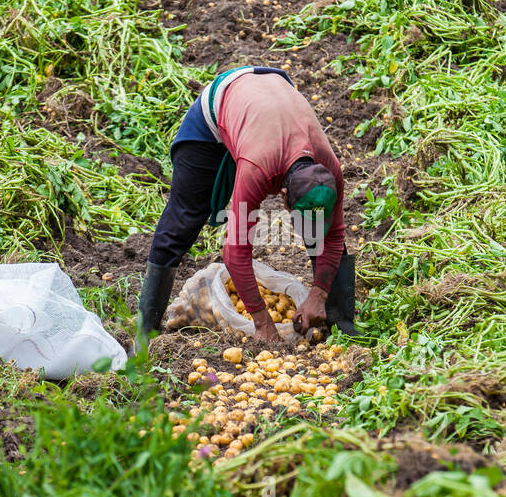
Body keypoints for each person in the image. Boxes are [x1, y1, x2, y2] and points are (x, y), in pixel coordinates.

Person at [136, 65, 356, 349]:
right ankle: (144, 337)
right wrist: (263, 323)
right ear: (284, 195)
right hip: (217, 108)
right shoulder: (258, 167)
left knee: (318, 229)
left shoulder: (331, 169)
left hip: (267, 101)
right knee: (185, 218)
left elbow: (334, 235)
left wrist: (319, 294)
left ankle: (338, 322)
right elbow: (236, 251)